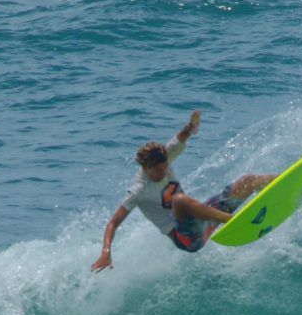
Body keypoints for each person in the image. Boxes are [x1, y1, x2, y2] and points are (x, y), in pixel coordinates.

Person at [91, 111, 275, 272]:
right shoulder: (139, 189)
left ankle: (287, 177)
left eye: (165, 168)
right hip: (187, 239)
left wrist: (191, 126)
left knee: (247, 181)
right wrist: (106, 252)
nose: (163, 173)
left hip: (203, 221)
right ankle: (235, 220)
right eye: (157, 171)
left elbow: (180, 138)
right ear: (145, 167)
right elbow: (113, 223)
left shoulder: (165, 156)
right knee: (179, 200)